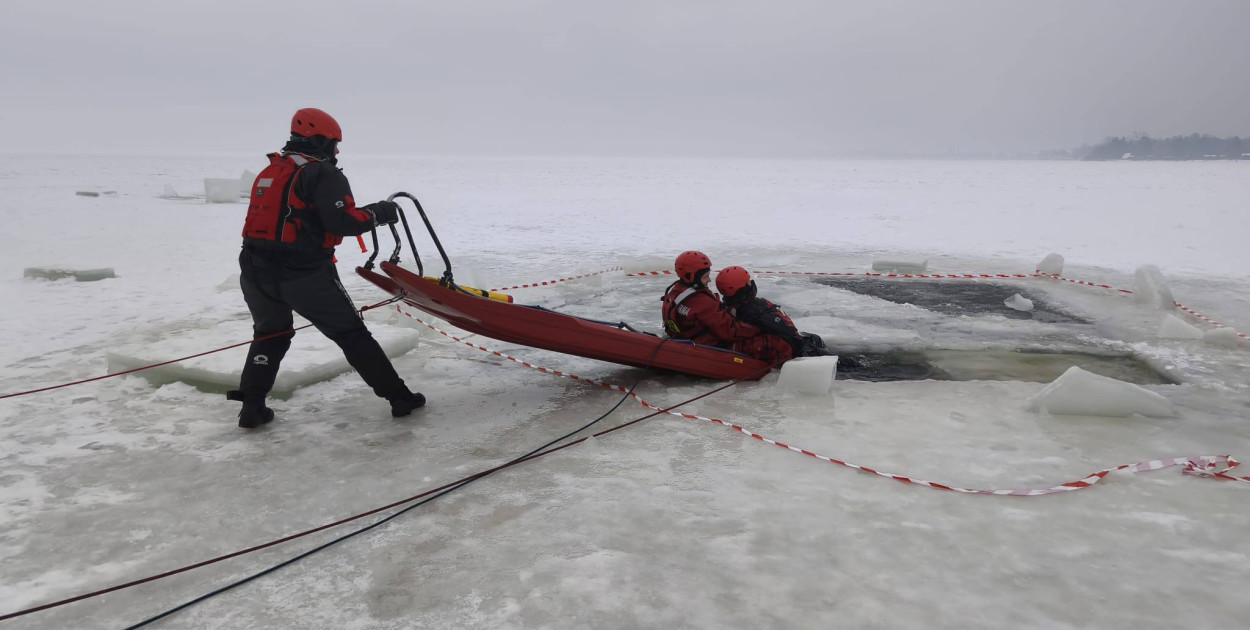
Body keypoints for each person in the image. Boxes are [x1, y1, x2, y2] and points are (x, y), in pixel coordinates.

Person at [227, 107, 425, 429]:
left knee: (270, 334)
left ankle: (251, 406)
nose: (336, 151)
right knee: (351, 334)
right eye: (334, 144)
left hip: (255, 271)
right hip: (304, 275)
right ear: (318, 140)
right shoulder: (322, 173)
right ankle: (399, 397)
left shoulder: (273, 171)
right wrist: (381, 212)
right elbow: (343, 221)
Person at [661, 251, 793, 365]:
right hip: (711, 347)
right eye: (705, 277)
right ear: (691, 276)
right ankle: (774, 377)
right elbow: (730, 332)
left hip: (688, 340)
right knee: (778, 345)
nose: (709, 281)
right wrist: (758, 328)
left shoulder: (675, 292)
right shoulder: (701, 302)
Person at [715, 266, 834, 358]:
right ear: (743, 288)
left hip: (784, 341)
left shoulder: (736, 306)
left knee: (815, 338)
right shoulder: (750, 310)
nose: (751, 283)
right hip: (786, 348)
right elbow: (783, 330)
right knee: (828, 356)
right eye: (748, 282)